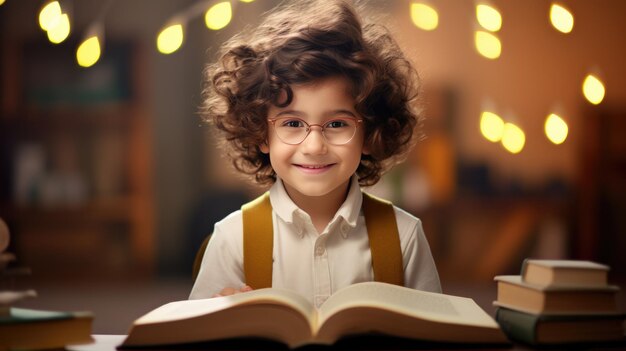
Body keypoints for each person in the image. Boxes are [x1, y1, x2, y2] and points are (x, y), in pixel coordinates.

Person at [190, 0, 441, 306]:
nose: (314, 146)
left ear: (369, 132)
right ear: (260, 132)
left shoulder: (405, 237)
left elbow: (433, 331)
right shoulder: (232, 239)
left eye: (337, 123)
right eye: (293, 123)